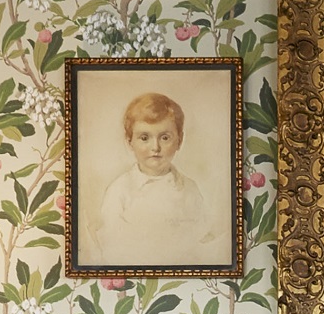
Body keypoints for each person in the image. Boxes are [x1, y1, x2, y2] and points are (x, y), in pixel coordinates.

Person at [92, 90, 227, 265]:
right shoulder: (119, 190)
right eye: (144, 138)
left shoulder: (189, 189)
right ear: (129, 141)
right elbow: (111, 246)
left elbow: (201, 239)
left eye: (165, 137)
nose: (155, 147)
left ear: (179, 140)